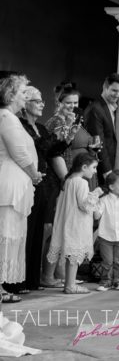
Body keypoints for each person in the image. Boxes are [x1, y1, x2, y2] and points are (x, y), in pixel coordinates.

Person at [16, 86, 68, 293]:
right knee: (26, 231)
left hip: (45, 183)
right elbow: (39, 147)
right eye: (37, 101)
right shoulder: (19, 125)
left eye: (42, 101)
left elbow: (51, 151)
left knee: (40, 230)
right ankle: (18, 280)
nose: (41, 104)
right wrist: (56, 136)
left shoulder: (41, 127)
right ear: (25, 104)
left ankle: (32, 279)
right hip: (29, 181)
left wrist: (65, 139)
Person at [0, 72, 42, 304]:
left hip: (15, 181)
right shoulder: (6, 117)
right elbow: (19, 153)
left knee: (9, 234)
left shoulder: (9, 117)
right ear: (11, 94)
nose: (25, 96)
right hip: (9, 182)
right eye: (22, 92)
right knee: (4, 234)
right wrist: (34, 175)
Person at [48, 151, 101, 294]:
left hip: (68, 222)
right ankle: (70, 285)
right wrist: (95, 194)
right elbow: (84, 205)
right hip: (77, 223)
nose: (95, 172)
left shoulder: (68, 180)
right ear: (84, 167)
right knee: (74, 256)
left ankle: (68, 283)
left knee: (71, 255)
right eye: (94, 168)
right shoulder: (81, 182)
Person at [94, 169, 119, 291]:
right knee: (107, 261)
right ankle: (105, 281)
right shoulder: (104, 200)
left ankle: (118, 281)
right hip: (106, 235)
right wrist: (94, 201)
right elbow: (96, 216)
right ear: (111, 186)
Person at [46, 83, 91, 187]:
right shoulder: (56, 121)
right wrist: (65, 177)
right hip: (58, 173)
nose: (72, 106)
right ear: (59, 103)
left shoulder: (69, 119)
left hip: (69, 168)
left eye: (75, 103)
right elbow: (56, 149)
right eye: (68, 103)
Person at [82, 73, 119, 179]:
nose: (117, 95)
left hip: (109, 165)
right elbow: (98, 143)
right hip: (99, 170)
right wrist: (107, 172)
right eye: (114, 90)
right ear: (105, 87)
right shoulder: (95, 109)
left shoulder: (110, 107)